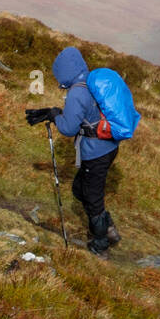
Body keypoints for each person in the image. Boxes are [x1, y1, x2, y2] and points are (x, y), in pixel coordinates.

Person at [45, 46, 121, 258]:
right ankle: (109, 229)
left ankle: (101, 245)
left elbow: (68, 128)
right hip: (110, 146)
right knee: (80, 189)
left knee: (91, 197)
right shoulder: (91, 80)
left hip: (96, 152)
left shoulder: (77, 92)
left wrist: (54, 117)